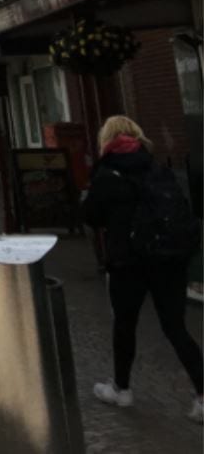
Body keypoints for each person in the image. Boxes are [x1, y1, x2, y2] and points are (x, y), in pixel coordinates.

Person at [81, 116, 203, 419]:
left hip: (128, 262)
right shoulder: (156, 167)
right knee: (175, 327)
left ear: (106, 140)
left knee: (125, 324)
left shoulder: (107, 172)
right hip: (167, 259)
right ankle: (202, 394)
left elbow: (91, 216)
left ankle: (121, 389)